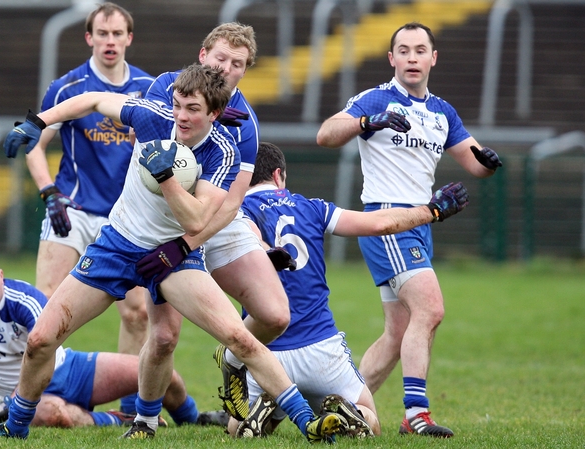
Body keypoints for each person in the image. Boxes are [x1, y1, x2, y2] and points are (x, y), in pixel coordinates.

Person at [0, 64, 346, 442]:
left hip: (172, 257)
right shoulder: (152, 116)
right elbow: (94, 99)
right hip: (117, 243)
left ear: (214, 113)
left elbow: (196, 220)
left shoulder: (222, 153)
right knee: (41, 340)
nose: (180, 116)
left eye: (192, 109)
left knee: (239, 339)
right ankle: (14, 428)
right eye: (178, 104)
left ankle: (307, 422)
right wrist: (39, 122)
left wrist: (166, 178)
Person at [315, 22, 503, 437]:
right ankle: (416, 414)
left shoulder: (442, 112)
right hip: (387, 221)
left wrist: (488, 161)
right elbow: (325, 135)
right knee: (431, 309)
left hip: (422, 221)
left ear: (433, 58)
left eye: (420, 50)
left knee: (398, 332)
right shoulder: (376, 98)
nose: (412, 57)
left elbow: (474, 163)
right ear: (392, 58)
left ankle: (344, 409)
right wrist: (367, 121)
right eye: (404, 50)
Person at [228, 142, 468, 440]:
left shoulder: (236, 213)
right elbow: (381, 223)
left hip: (266, 351)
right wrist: (431, 210)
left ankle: (265, 406)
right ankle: (345, 412)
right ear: (279, 175)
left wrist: (267, 252)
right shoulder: (314, 207)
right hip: (321, 347)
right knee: (370, 419)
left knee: (236, 426)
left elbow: (252, 243)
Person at [141, 22, 292, 423]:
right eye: (221, 57)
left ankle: (232, 358)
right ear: (203, 55)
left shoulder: (246, 123)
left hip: (214, 224)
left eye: (237, 63)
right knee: (163, 337)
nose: (227, 67)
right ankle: (145, 421)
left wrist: (189, 245)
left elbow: (232, 204)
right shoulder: (167, 88)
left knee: (275, 315)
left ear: (245, 70)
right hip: (162, 222)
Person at [10, 3, 154, 414]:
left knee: (139, 313)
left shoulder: (148, 88)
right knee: (46, 307)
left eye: (117, 34)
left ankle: (131, 408)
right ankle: (31, 400)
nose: (110, 41)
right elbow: (34, 148)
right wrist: (48, 192)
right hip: (69, 211)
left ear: (130, 38)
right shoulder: (66, 87)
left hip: (129, 218)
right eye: (102, 34)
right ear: (89, 38)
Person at [0, 246, 205, 429]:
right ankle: (114, 420)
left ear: (1, 275)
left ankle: (193, 420)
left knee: (159, 373)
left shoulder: (24, 300)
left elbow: (43, 349)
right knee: (56, 414)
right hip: (24, 398)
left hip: (70, 370)